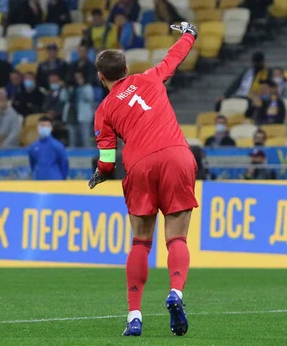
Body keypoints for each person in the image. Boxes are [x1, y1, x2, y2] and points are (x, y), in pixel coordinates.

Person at [88, 21, 199, 337]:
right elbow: (174, 58)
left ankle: (134, 317)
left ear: (101, 77)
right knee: (177, 238)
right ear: (125, 68)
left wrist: (101, 174)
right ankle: (175, 293)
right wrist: (189, 34)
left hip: (140, 166)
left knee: (140, 241)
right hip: (177, 155)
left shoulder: (104, 110)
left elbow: (108, 161)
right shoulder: (149, 77)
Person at [28, 115, 69, 180]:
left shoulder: (57, 146)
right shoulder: (33, 147)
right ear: (37, 127)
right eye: (42, 126)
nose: (44, 128)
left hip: (55, 181)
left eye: (46, 126)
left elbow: (64, 164)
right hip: (38, 181)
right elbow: (32, 164)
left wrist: (61, 179)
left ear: (51, 128)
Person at [60, 72, 94, 147]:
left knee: (85, 138)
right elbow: (63, 98)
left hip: (83, 115)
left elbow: (89, 97)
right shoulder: (70, 87)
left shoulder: (87, 87)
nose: (77, 79)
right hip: (71, 114)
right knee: (72, 138)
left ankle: (87, 154)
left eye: (79, 77)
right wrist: (65, 88)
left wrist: (81, 86)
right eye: (76, 78)